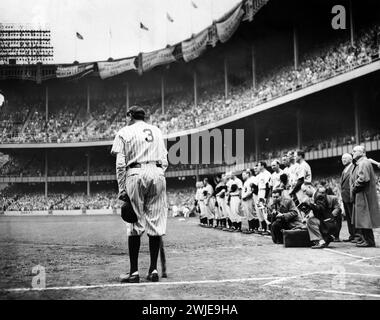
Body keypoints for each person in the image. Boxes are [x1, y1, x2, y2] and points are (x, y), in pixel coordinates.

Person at [111, 106, 168, 283]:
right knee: (156, 223)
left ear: (129, 116)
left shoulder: (125, 131)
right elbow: (165, 161)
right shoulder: (157, 131)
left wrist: (122, 189)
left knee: (135, 224)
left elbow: (120, 164)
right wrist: (157, 173)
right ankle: (153, 270)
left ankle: (134, 273)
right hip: (157, 173)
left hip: (135, 173)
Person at [350, 146, 380, 247]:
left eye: (354, 151)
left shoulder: (363, 163)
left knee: (364, 217)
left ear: (362, 152)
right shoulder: (363, 162)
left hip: (363, 193)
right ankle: (367, 240)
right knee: (364, 218)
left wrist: (354, 188)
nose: (352, 152)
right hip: (363, 193)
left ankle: (369, 241)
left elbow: (363, 179)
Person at [302, 184, 341, 249]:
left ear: (310, 187)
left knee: (310, 221)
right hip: (326, 220)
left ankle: (321, 241)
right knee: (309, 220)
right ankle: (328, 237)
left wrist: (309, 204)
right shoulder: (314, 195)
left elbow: (320, 208)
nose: (304, 193)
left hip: (327, 222)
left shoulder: (319, 195)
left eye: (305, 190)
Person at [340, 153, 358, 242]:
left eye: (345, 158)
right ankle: (352, 235)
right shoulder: (345, 169)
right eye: (342, 158)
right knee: (348, 217)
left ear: (351, 159)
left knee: (353, 216)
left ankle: (356, 235)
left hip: (350, 196)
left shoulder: (353, 168)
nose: (343, 160)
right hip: (345, 196)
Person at [256, 161, 271, 235]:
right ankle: (264, 228)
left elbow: (268, 186)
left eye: (259, 166)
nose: (258, 167)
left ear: (262, 166)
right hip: (259, 192)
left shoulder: (267, 174)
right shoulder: (260, 175)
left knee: (265, 211)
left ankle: (269, 229)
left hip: (264, 192)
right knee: (260, 211)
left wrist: (265, 197)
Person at [241, 169, 258, 233]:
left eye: (243, 175)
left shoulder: (252, 179)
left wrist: (246, 196)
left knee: (252, 213)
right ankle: (250, 227)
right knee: (247, 213)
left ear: (248, 174)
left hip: (249, 198)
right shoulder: (246, 182)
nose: (242, 176)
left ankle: (255, 228)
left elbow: (251, 191)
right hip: (245, 199)